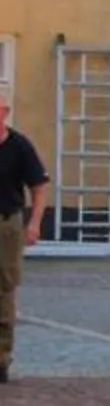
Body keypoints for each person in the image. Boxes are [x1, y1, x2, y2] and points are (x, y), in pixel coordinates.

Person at [0, 91, 49, 383]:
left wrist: (35, 223)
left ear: (4, 112)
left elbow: (39, 186)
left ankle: (1, 356)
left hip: (7, 223)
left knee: (4, 287)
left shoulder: (19, 146)